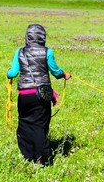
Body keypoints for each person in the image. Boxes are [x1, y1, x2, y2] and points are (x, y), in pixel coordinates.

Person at [7, 24, 71, 164]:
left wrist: (8, 73)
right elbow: (55, 71)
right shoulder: (48, 52)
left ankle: (29, 154)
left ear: (27, 36)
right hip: (42, 95)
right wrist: (64, 74)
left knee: (25, 123)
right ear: (43, 37)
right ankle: (41, 156)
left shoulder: (19, 51)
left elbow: (13, 73)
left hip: (24, 95)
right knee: (40, 124)